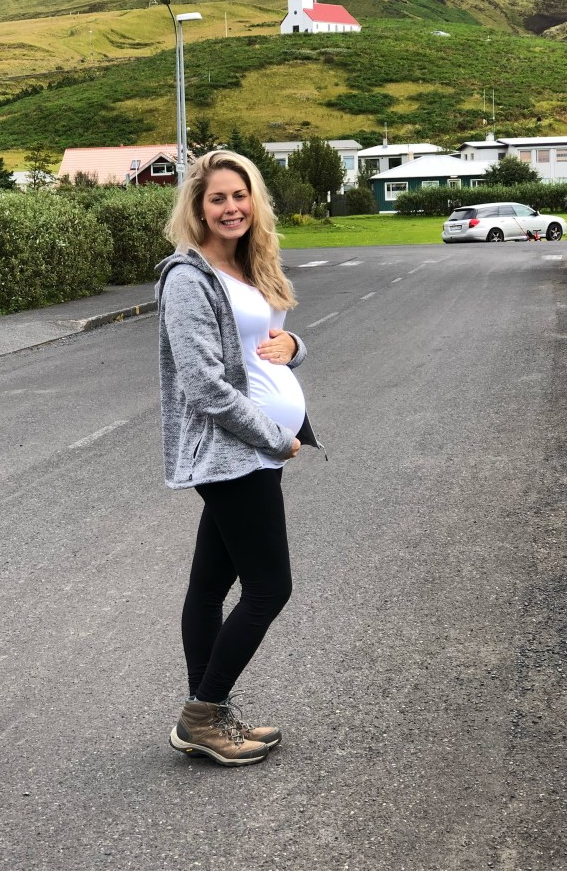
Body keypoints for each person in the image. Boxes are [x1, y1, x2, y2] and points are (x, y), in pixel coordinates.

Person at [155, 149, 324, 767]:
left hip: (254, 452)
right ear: (198, 208)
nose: (231, 207)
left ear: (255, 199)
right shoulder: (188, 279)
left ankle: (209, 714)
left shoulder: (250, 263)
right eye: (217, 198)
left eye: (239, 194)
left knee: (208, 587)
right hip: (235, 451)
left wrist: (295, 345)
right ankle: (203, 715)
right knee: (269, 587)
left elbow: (266, 345)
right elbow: (204, 385)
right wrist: (275, 437)